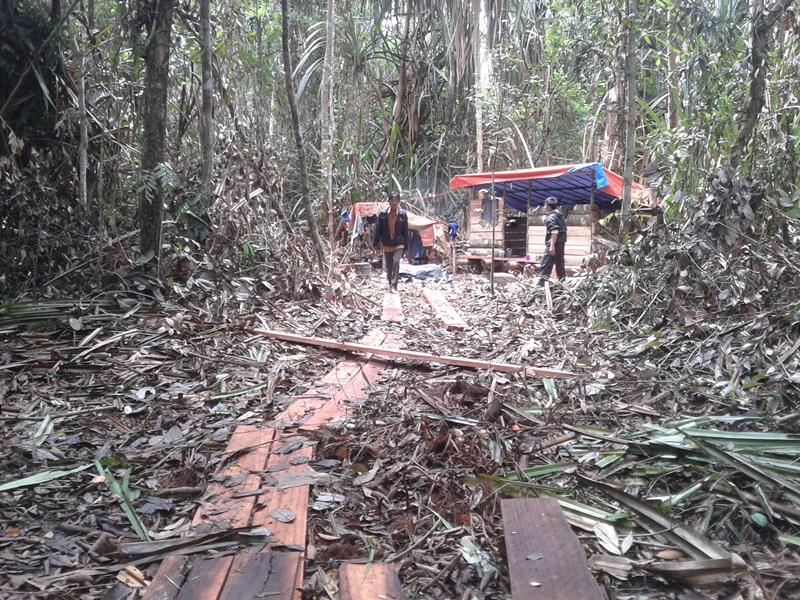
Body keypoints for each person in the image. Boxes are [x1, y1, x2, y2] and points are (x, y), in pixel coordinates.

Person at [373, 191, 409, 292]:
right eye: (392, 200)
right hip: (387, 243)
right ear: (389, 201)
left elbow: (405, 231)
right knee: (389, 265)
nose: (394, 203)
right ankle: (390, 284)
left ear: (399, 202)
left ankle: (394, 285)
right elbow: (378, 230)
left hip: (399, 243)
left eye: (396, 201)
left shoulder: (402, 215)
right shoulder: (383, 214)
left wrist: (406, 248)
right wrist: (375, 245)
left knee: (396, 261)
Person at [539, 196, 567, 285]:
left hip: (554, 244)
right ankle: (562, 283)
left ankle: (542, 284)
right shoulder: (560, 216)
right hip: (561, 244)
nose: (544, 207)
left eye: (544, 205)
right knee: (560, 264)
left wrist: (551, 246)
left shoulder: (551, 217)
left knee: (546, 264)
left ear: (548, 206)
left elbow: (554, 231)